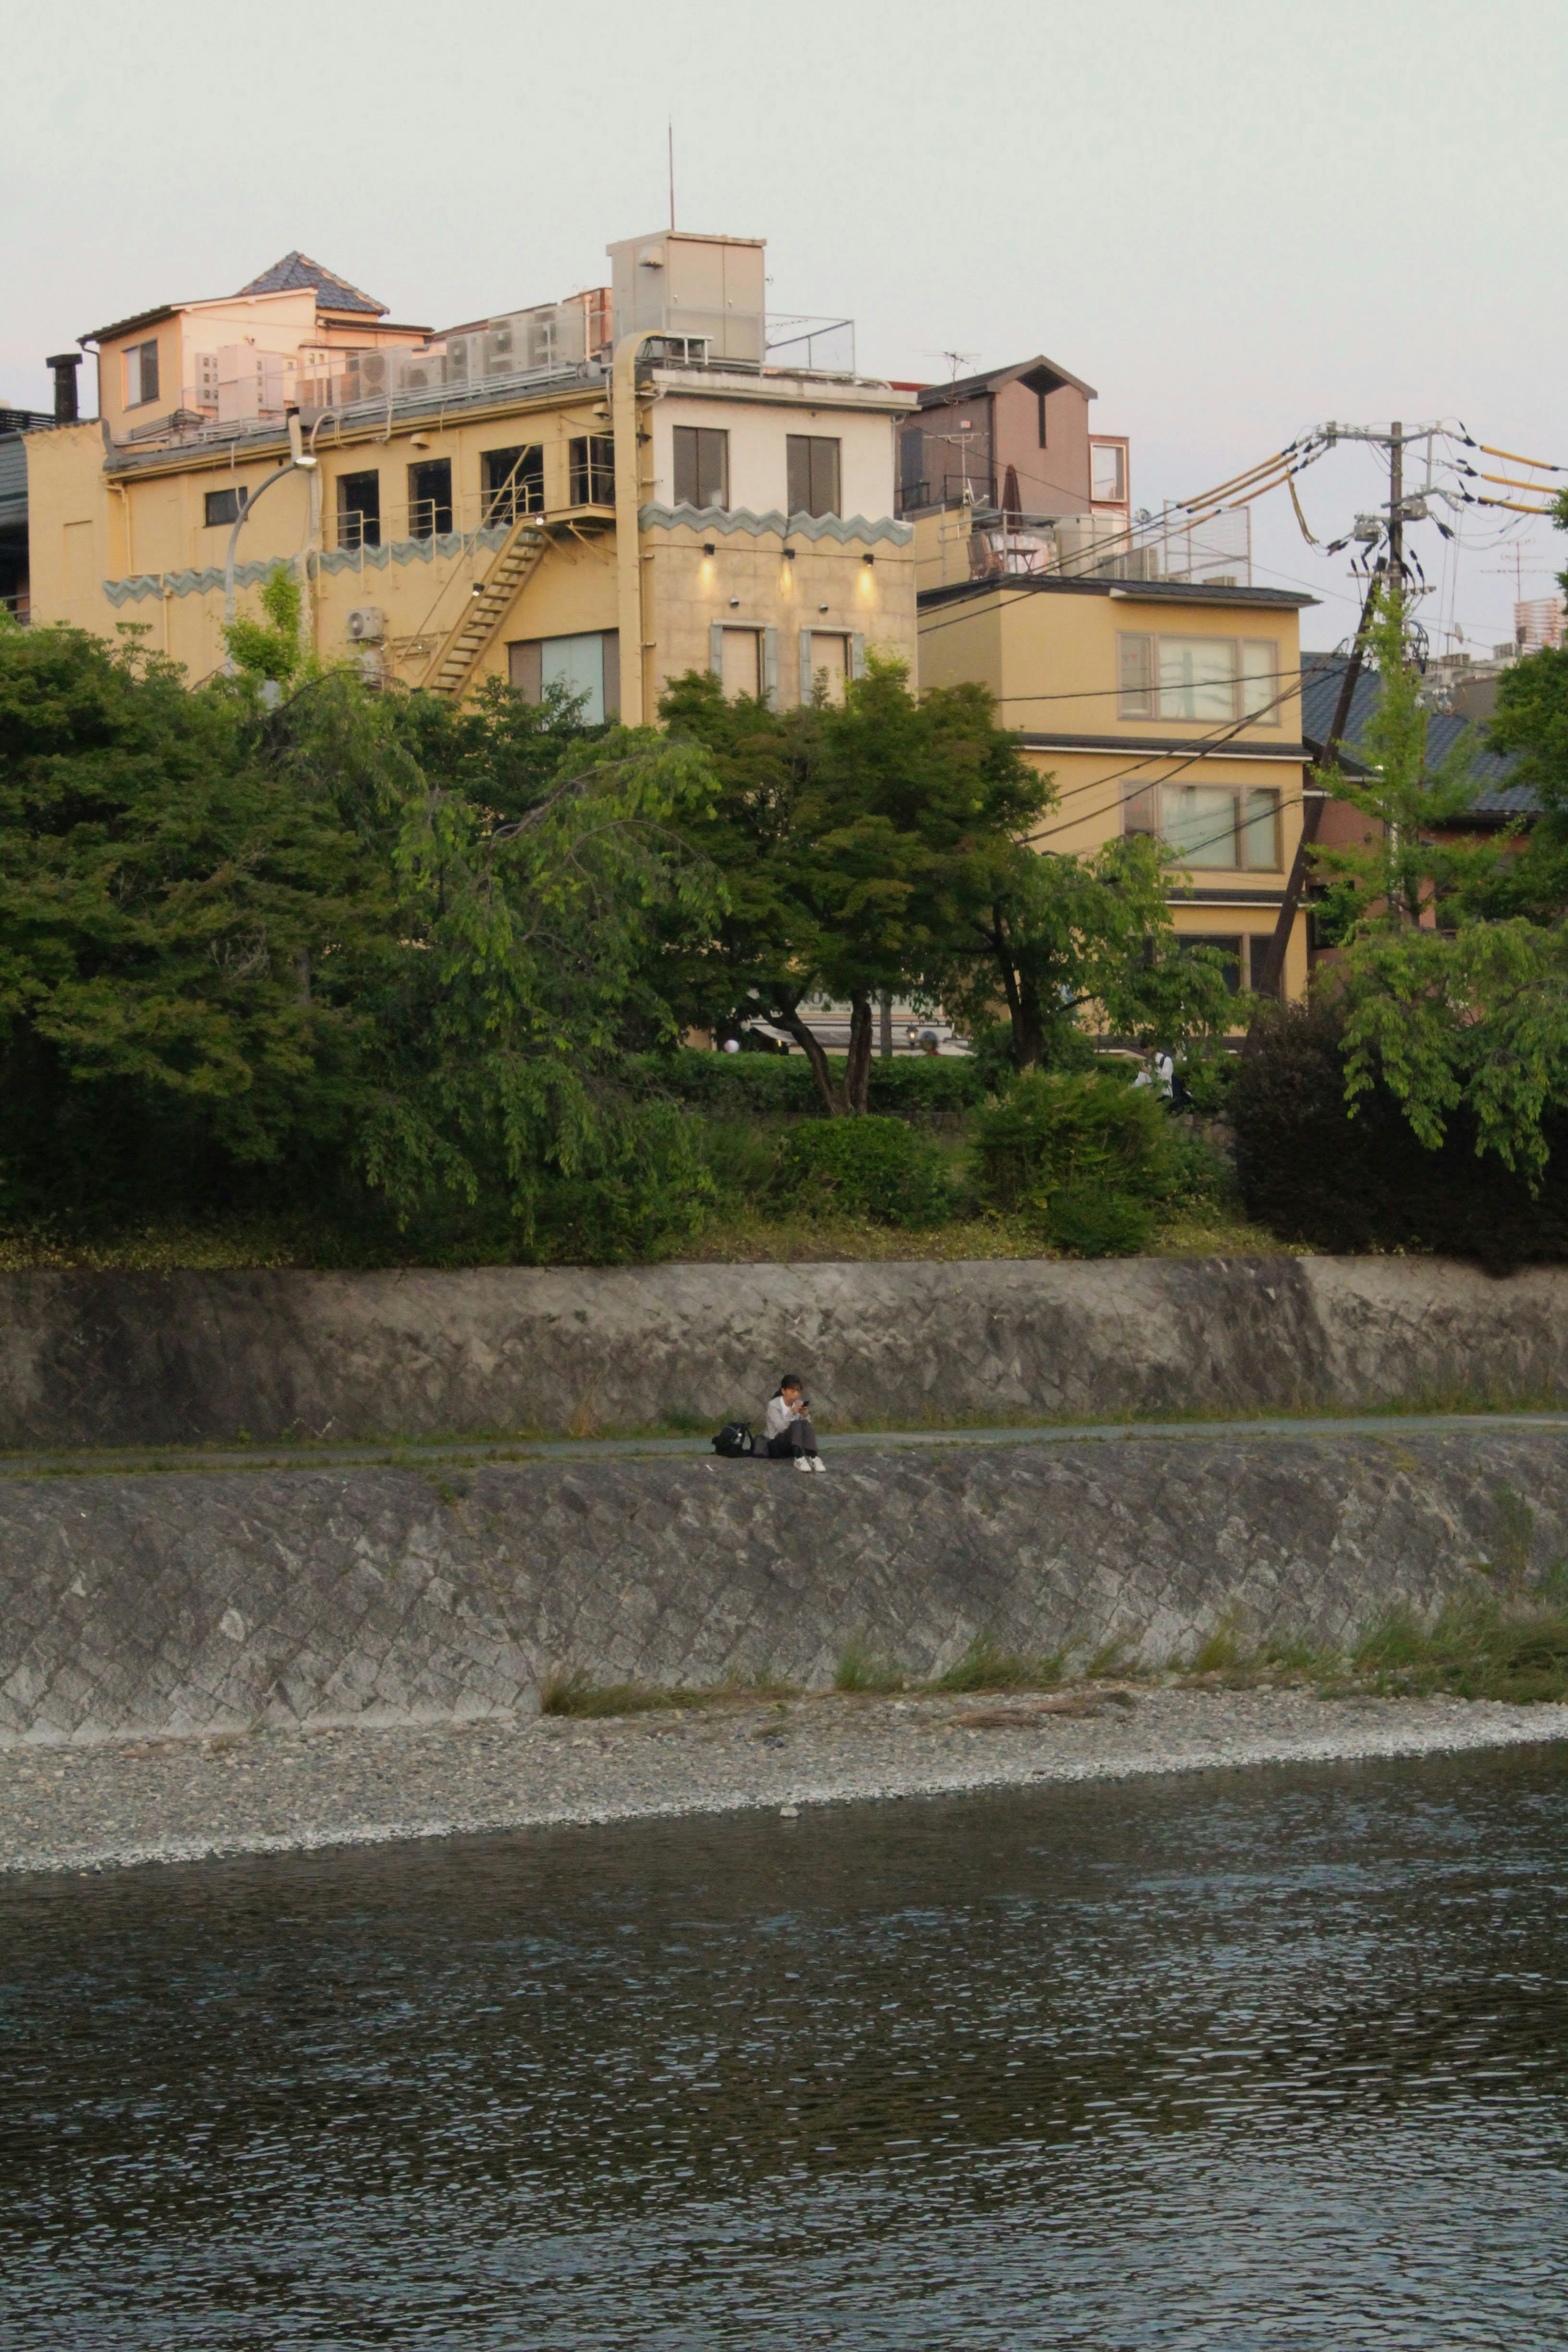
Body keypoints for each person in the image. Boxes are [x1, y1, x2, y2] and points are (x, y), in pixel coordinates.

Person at [765, 1375, 825, 1473]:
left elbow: (805, 1429)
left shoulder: (799, 1403)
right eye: (793, 1391)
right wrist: (791, 1413)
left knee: (805, 1423)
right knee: (796, 1424)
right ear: (784, 1391)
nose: (796, 1394)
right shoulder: (773, 1405)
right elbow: (781, 1428)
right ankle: (799, 1459)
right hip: (776, 1445)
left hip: (794, 1445)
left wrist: (805, 1415)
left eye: (798, 1391)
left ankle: (813, 1457)